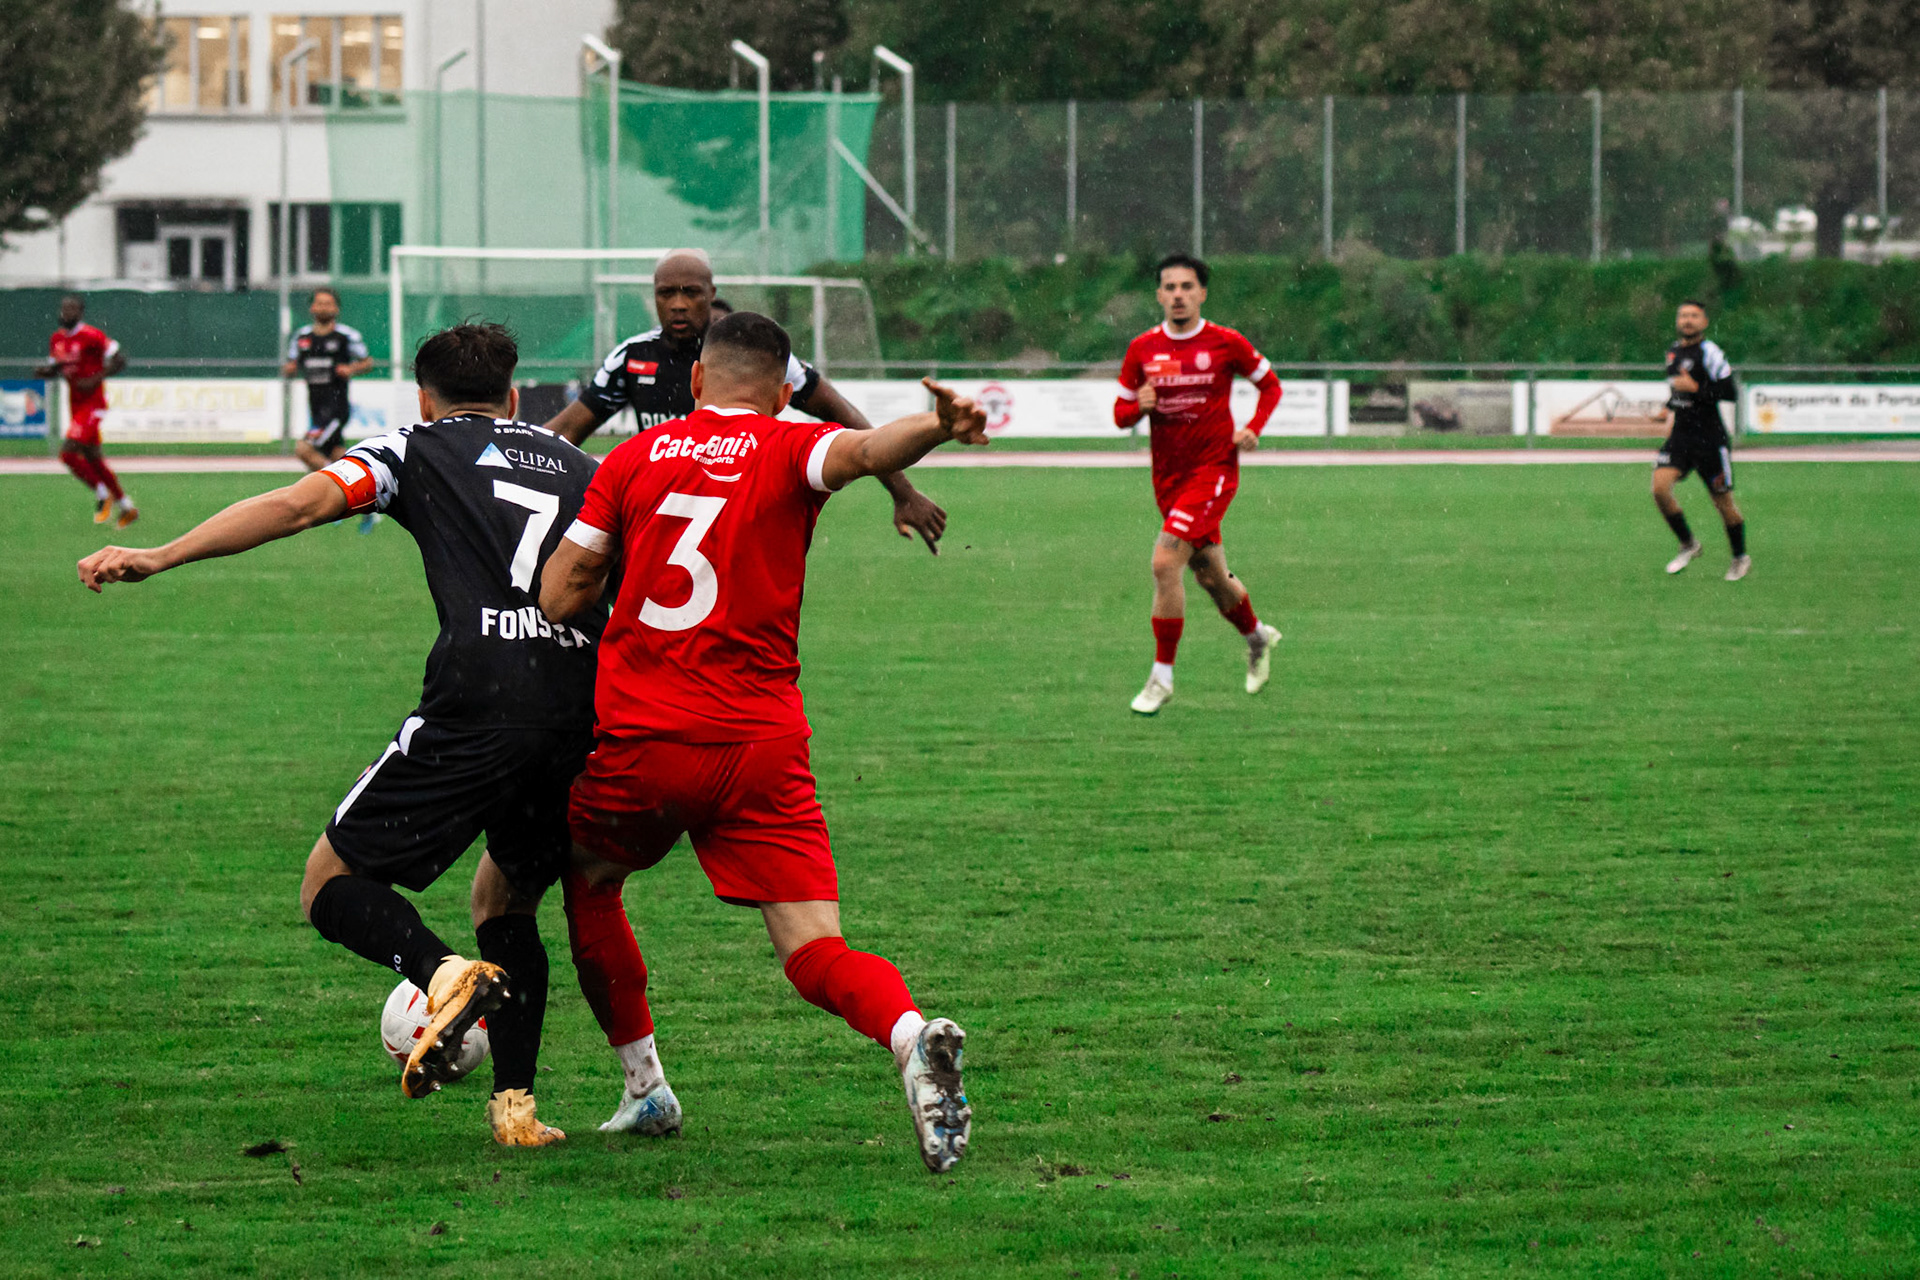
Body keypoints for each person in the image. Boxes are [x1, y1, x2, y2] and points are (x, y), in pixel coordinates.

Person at [76, 323, 603, 1148]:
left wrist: (163, 555)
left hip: (477, 699)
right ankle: (517, 1110)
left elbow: (296, 504)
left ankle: (441, 973)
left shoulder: (413, 447)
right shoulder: (583, 466)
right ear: (511, 394)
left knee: (329, 883)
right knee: (506, 900)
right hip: (579, 708)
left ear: (424, 396)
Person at [537, 311, 987, 1174]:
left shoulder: (632, 458)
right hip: (761, 746)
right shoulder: (790, 446)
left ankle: (645, 1088)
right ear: (785, 391)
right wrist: (937, 425)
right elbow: (861, 451)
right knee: (816, 947)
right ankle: (905, 1034)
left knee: (590, 880)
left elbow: (563, 593)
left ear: (696, 381)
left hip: (647, 738)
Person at [543, 248, 950, 554]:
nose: (679, 303)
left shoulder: (752, 349)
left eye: (691, 292)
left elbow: (837, 411)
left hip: (738, 518)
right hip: (657, 520)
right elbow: (564, 432)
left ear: (712, 293)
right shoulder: (632, 358)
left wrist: (902, 491)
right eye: (667, 293)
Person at [1113, 253, 1284, 715]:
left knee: (1165, 562)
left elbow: (1271, 386)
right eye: (1169, 287)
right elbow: (1119, 413)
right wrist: (1140, 407)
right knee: (1211, 577)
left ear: (1202, 293)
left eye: (1187, 286)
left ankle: (1161, 677)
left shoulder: (1225, 342)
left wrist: (1254, 427)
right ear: (1158, 295)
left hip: (1213, 472)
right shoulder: (1143, 349)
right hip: (1168, 480)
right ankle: (1257, 636)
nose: (1178, 295)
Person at [1650, 300, 1747, 580]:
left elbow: (1729, 392)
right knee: (1659, 489)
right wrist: (1667, 408)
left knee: (1723, 504)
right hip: (1681, 437)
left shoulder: (1710, 352)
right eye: (1683, 315)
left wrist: (1696, 388)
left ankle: (1740, 557)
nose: (1687, 320)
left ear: (1704, 322)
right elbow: (1680, 392)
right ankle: (1689, 543)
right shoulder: (1672, 352)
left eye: (1693, 316)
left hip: (1709, 439)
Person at [37, 294, 135, 527]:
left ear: (80, 313)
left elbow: (120, 359)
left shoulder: (92, 336)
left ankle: (103, 494)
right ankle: (127, 507)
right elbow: (57, 368)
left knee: (68, 453)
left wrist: (95, 378)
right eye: (64, 308)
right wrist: (45, 372)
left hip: (93, 403)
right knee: (94, 459)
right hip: (76, 403)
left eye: (72, 309)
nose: (66, 313)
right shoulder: (57, 339)